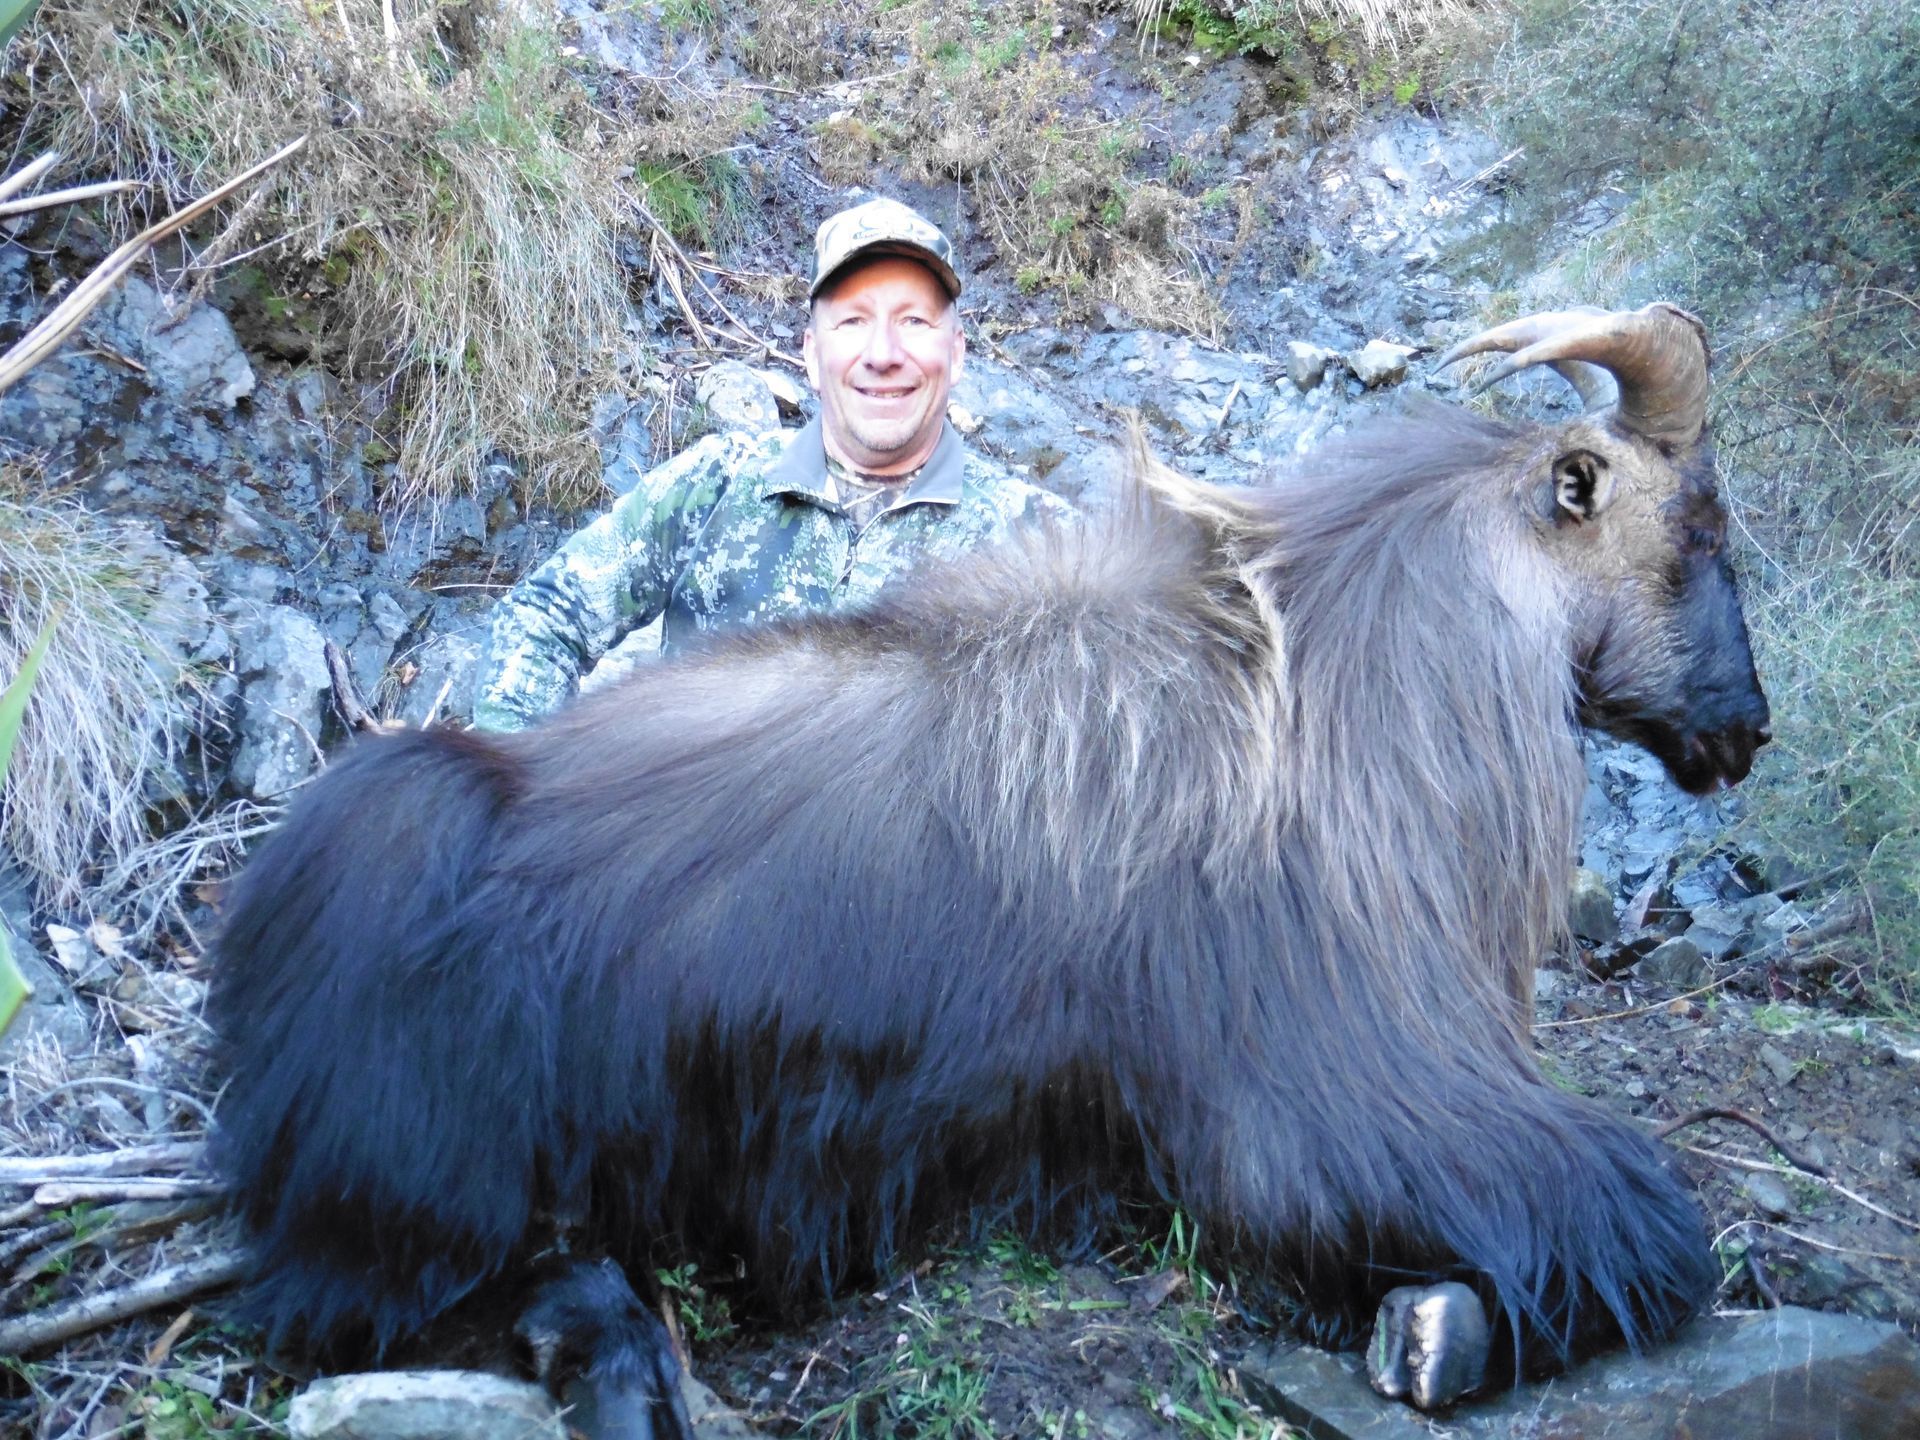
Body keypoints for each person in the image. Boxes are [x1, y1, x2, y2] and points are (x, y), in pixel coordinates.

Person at [472, 197, 1073, 733]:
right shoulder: (716, 483)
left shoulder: (1041, 544)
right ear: (812, 355)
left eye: (914, 321)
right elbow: (546, 615)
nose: (883, 355)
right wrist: (524, 790)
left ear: (957, 351)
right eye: (853, 322)